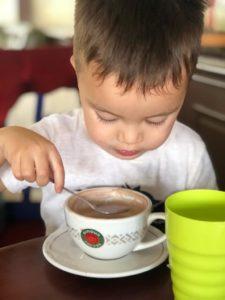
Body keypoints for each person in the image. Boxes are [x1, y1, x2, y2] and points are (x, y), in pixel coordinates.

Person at [0, 0, 217, 235]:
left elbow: (208, 227)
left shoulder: (188, 152)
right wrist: (4, 141)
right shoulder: (53, 139)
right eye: (107, 116)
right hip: (63, 271)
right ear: (78, 73)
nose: (130, 138)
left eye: (156, 120)